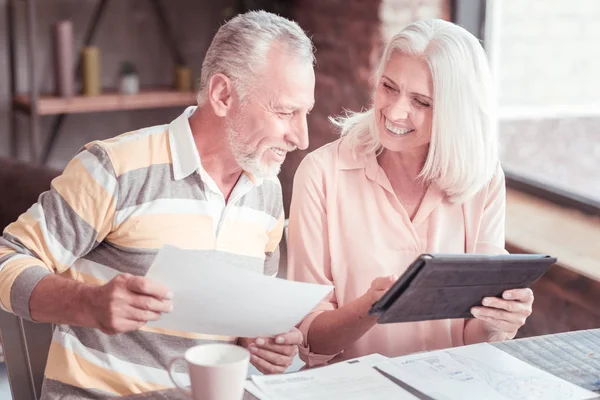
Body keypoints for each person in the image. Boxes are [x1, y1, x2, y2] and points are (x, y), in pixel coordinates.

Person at [0, 10, 315, 398]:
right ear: (223, 95)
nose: (301, 137)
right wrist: (89, 304)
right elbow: (7, 257)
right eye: (286, 112)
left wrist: (260, 341)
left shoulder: (266, 191)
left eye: (306, 113)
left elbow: (244, 320)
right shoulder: (116, 168)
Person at [287, 19, 533, 367]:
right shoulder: (321, 173)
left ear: (455, 111)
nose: (395, 111)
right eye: (389, 87)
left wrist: (497, 322)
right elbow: (310, 338)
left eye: (421, 101)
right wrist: (370, 308)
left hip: (450, 384)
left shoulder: (484, 179)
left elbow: (470, 336)